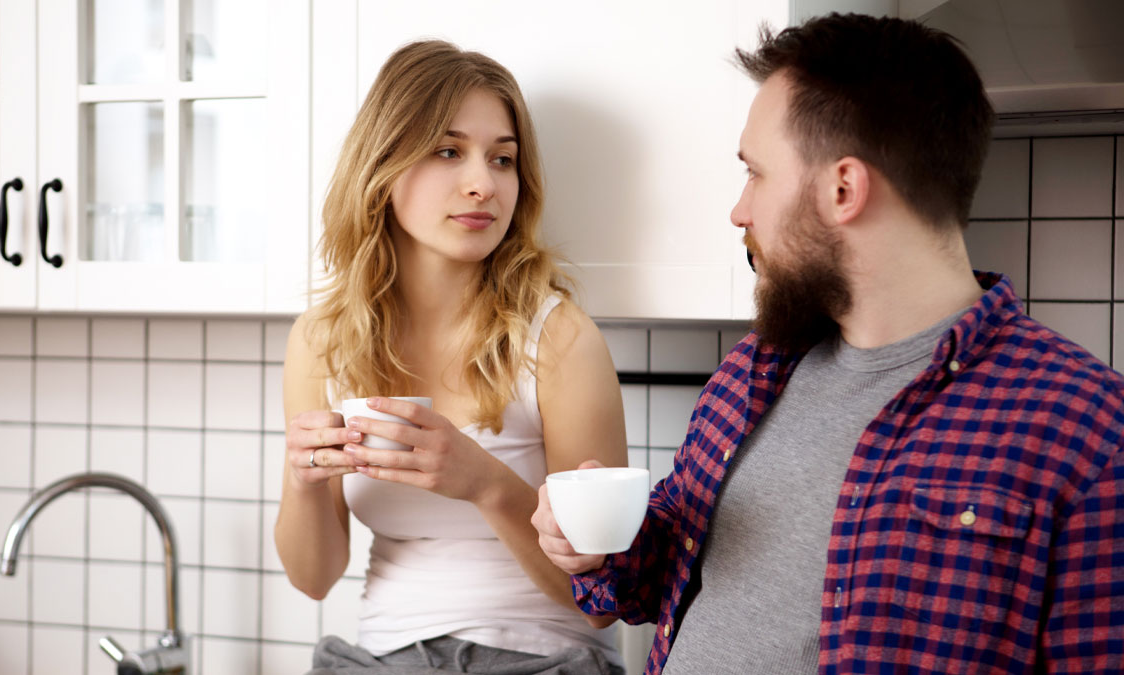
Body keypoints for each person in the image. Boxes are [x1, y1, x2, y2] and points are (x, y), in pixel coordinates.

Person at [532, 13, 1124, 675]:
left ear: (843, 189)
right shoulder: (751, 370)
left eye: (755, 173)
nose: (739, 210)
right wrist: (599, 546)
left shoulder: (1088, 429)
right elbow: (661, 570)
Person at [275, 39, 628, 675]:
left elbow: (602, 600)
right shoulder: (322, 341)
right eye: (448, 151)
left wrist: (484, 483)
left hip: (542, 658)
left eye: (502, 159)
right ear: (382, 169)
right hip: (380, 657)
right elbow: (313, 579)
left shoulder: (560, 338)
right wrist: (304, 482)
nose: (482, 184)